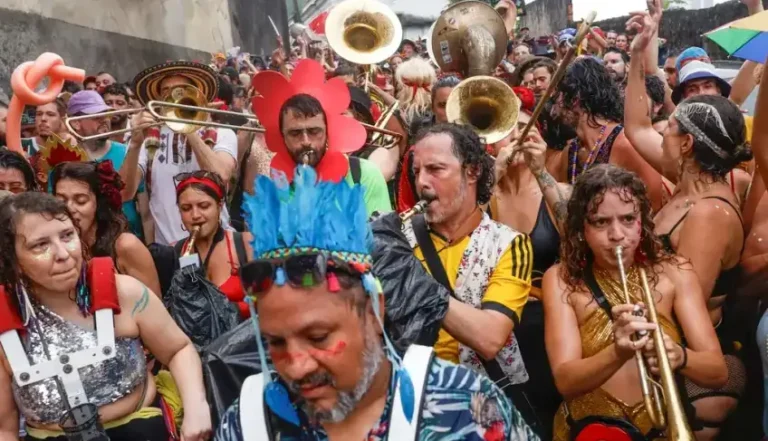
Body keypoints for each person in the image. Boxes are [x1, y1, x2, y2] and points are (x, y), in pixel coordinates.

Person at [214, 161, 539, 440]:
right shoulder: (250, 422)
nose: (296, 367)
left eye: (318, 337)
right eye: (275, 342)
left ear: (374, 311)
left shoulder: (462, 410)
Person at [0, 192, 211, 441]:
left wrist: (197, 408)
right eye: (40, 245)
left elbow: (177, 349)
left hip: (139, 430)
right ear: (12, 259)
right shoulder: (5, 320)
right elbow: (5, 429)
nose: (63, 254)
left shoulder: (125, 292)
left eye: (67, 236)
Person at [543, 164, 727, 441]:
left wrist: (681, 357)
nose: (617, 234)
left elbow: (717, 372)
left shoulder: (675, 272)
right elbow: (565, 381)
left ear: (643, 220)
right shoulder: (561, 279)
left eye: (628, 219)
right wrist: (617, 352)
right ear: (581, 228)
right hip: (591, 432)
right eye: (601, 222)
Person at [403, 123, 536, 426]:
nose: (421, 182)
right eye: (416, 171)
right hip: (412, 405)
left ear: (473, 171)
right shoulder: (398, 239)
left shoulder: (509, 245)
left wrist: (413, 278)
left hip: (483, 411)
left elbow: (490, 338)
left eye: (435, 169)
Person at [490, 87, 562, 439]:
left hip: (548, 319)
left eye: (525, 129)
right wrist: (492, 175)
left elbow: (578, 237)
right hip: (495, 323)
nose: (518, 137)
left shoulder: (556, 191)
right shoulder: (481, 194)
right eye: (509, 130)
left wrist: (542, 172)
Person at [250, 59, 391, 217]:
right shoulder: (272, 186)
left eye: (314, 131)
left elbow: (381, 232)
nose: (306, 141)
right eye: (295, 133)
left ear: (327, 131)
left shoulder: (365, 175)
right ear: (282, 136)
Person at [123, 61, 238, 245]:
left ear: (194, 94)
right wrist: (135, 144)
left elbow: (221, 176)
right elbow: (125, 194)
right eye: (166, 91)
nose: (173, 97)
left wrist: (187, 125)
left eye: (181, 90)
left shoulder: (223, 132)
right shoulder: (147, 138)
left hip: (218, 246)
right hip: (169, 249)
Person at [550, 57, 663, 210]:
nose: (554, 108)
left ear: (575, 100)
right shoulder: (570, 153)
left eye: (557, 97)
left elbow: (654, 205)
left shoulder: (626, 144)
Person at [51, 160, 161, 297]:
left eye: (80, 201)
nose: (70, 208)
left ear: (99, 203)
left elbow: (154, 305)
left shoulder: (125, 246)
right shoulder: (58, 249)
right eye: (61, 201)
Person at [65, 90, 146, 239]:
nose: (104, 120)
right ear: (75, 123)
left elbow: (139, 205)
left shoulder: (126, 152)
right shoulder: (64, 159)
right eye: (96, 116)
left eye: (105, 114)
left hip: (128, 238)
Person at [173, 171, 252, 318]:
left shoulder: (245, 243)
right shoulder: (177, 252)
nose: (195, 215)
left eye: (204, 206)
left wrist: (228, 310)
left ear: (219, 206)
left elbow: (267, 301)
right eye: (186, 208)